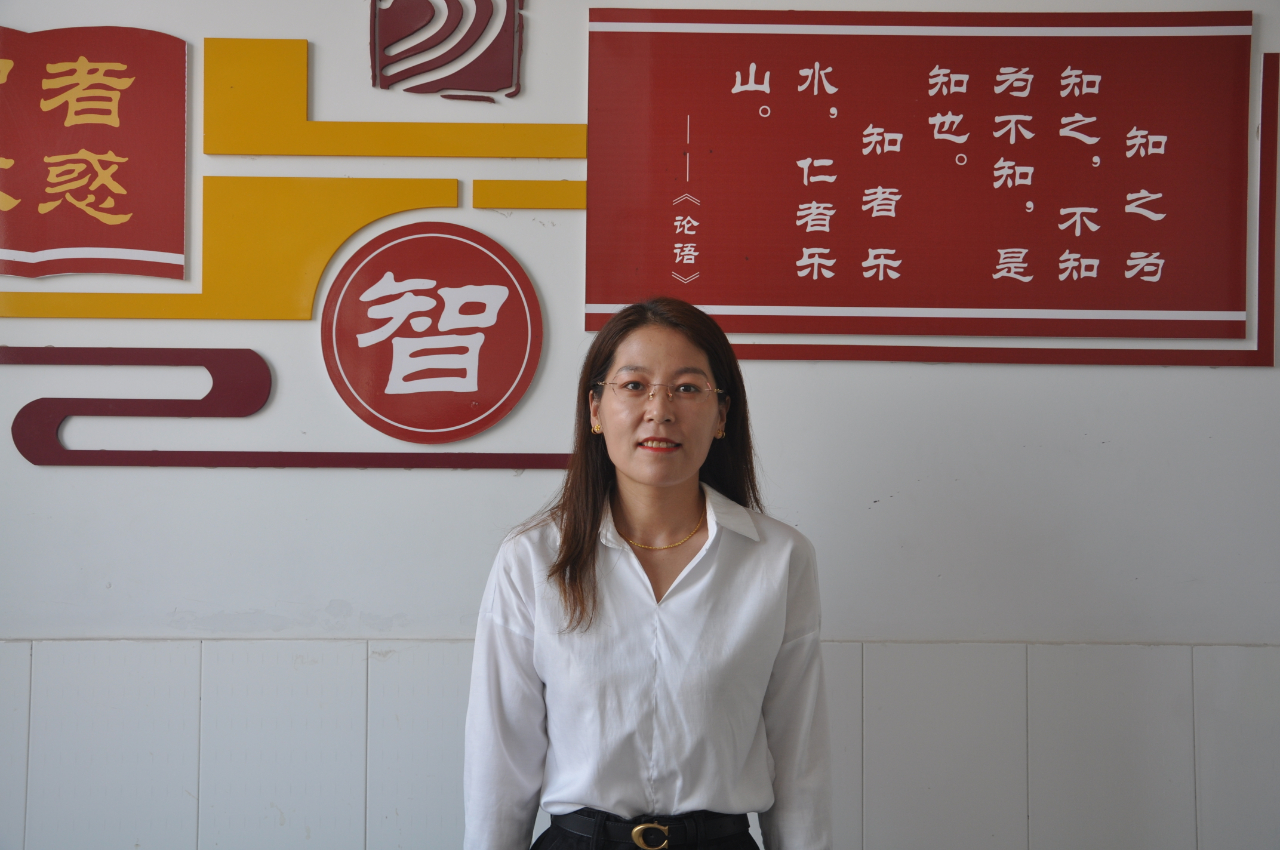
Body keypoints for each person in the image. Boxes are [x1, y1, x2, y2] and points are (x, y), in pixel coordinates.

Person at [464, 297, 831, 850]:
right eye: (634, 385)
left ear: (722, 415)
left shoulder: (779, 559)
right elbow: (499, 765)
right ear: (595, 409)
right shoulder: (533, 559)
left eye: (687, 388)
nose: (660, 410)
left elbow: (800, 762)